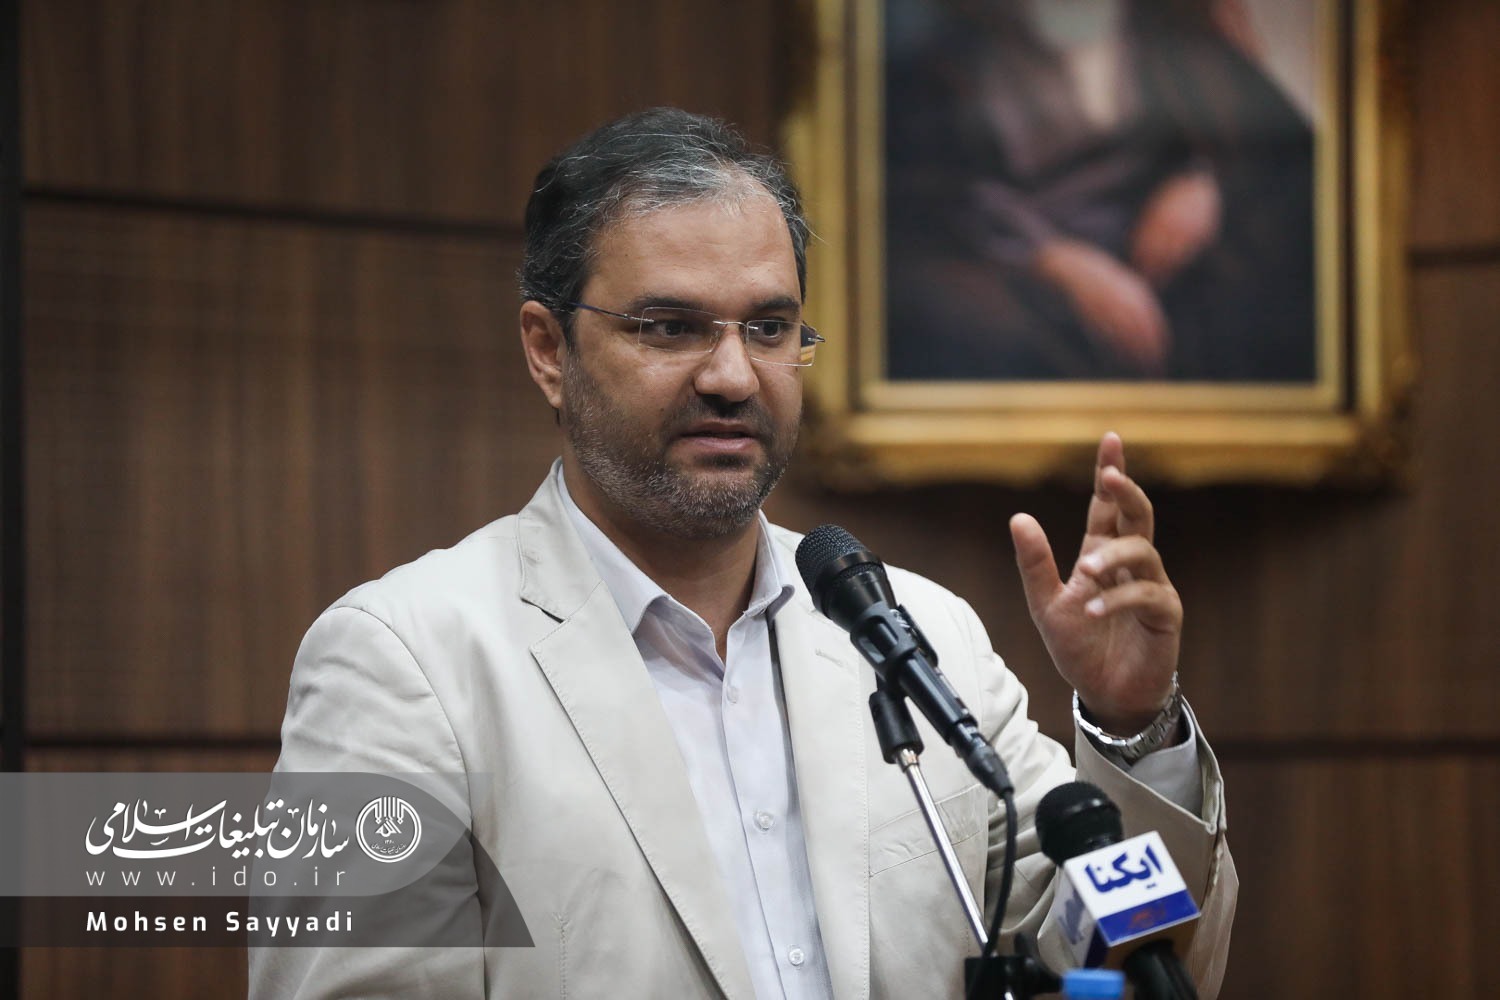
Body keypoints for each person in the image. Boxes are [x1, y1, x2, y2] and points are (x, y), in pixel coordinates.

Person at [250, 108, 1237, 999]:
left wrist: (1130, 726)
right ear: (549, 349)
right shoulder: (402, 660)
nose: (732, 375)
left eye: (768, 328)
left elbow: (1133, 965)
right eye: (670, 327)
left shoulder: (914, 633)